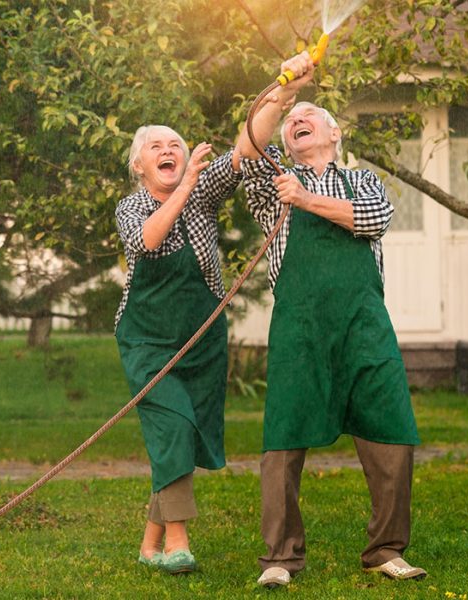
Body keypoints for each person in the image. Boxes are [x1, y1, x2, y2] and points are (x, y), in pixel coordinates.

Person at [114, 53, 315, 575]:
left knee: (181, 434)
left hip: (201, 340)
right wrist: (185, 188)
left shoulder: (202, 187)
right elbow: (149, 240)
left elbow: (248, 146)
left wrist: (284, 91)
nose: (168, 150)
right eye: (155, 147)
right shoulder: (133, 207)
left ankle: (149, 544)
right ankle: (178, 543)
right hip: (146, 341)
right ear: (139, 166)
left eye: (175, 145)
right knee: (174, 428)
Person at [235, 59, 427, 588]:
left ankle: (386, 549)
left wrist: (307, 200)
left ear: (334, 133)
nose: (299, 118)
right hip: (299, 328)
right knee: (282, 441)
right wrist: (285, 86)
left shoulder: (363, 179)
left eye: (310, 114)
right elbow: (247, 145)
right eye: (293, 120)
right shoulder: (274, 182)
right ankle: (281, 557)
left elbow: (371, 219)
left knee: (392, 432)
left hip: (365, 326)